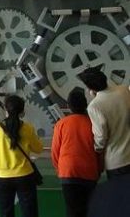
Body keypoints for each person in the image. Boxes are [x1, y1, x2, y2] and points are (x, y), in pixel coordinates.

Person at [0, 94, 43, 217]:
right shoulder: (28, 128)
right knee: (30, 213)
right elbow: (38, 149)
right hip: (25, 176)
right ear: (22, 111)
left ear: (5, 109)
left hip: (2, 177)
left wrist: (1, 161)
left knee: (6, 213)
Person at [51, 89, 101, 217]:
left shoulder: (61, 124)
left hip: (68, 172)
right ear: (85, 105)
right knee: (89, 210)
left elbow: (55, 152)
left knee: (72, 210)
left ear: (69, 106)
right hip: (89, 172)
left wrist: (60, 169)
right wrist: (99, 170)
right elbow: (99, 150)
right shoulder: (93, 124)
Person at [78, 66, 130, 178]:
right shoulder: (125, 90)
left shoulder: (95, 106)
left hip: (117, 161)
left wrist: (97, 148)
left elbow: (101, 137)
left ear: (89, 87)